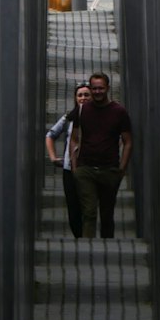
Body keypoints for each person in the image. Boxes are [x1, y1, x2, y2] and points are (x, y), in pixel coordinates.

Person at [74, 70, 133, 239]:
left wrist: (121, 169)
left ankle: (107, 244)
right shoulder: (82, 110)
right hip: (86, 168)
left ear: (107, 88)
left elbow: (128, 141)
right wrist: (75, 166)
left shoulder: (119, 112)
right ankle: (87, 247)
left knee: (107, 214)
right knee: (89, 211)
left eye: (100, 88)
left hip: (109, 169)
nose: (97, 92)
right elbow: (74, 138)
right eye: (94, 88)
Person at [45, 83, 91, 238]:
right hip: (69, 168)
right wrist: (53, 157)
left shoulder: (101, 118)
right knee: (73, 206)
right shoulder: (69, 118)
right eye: (80, 95)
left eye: (86, 95)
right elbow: (50, 135)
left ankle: (87, 236)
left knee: (89, 207)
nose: (83, 98)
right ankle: (79, 236)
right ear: (75, 98)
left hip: (92, 168)